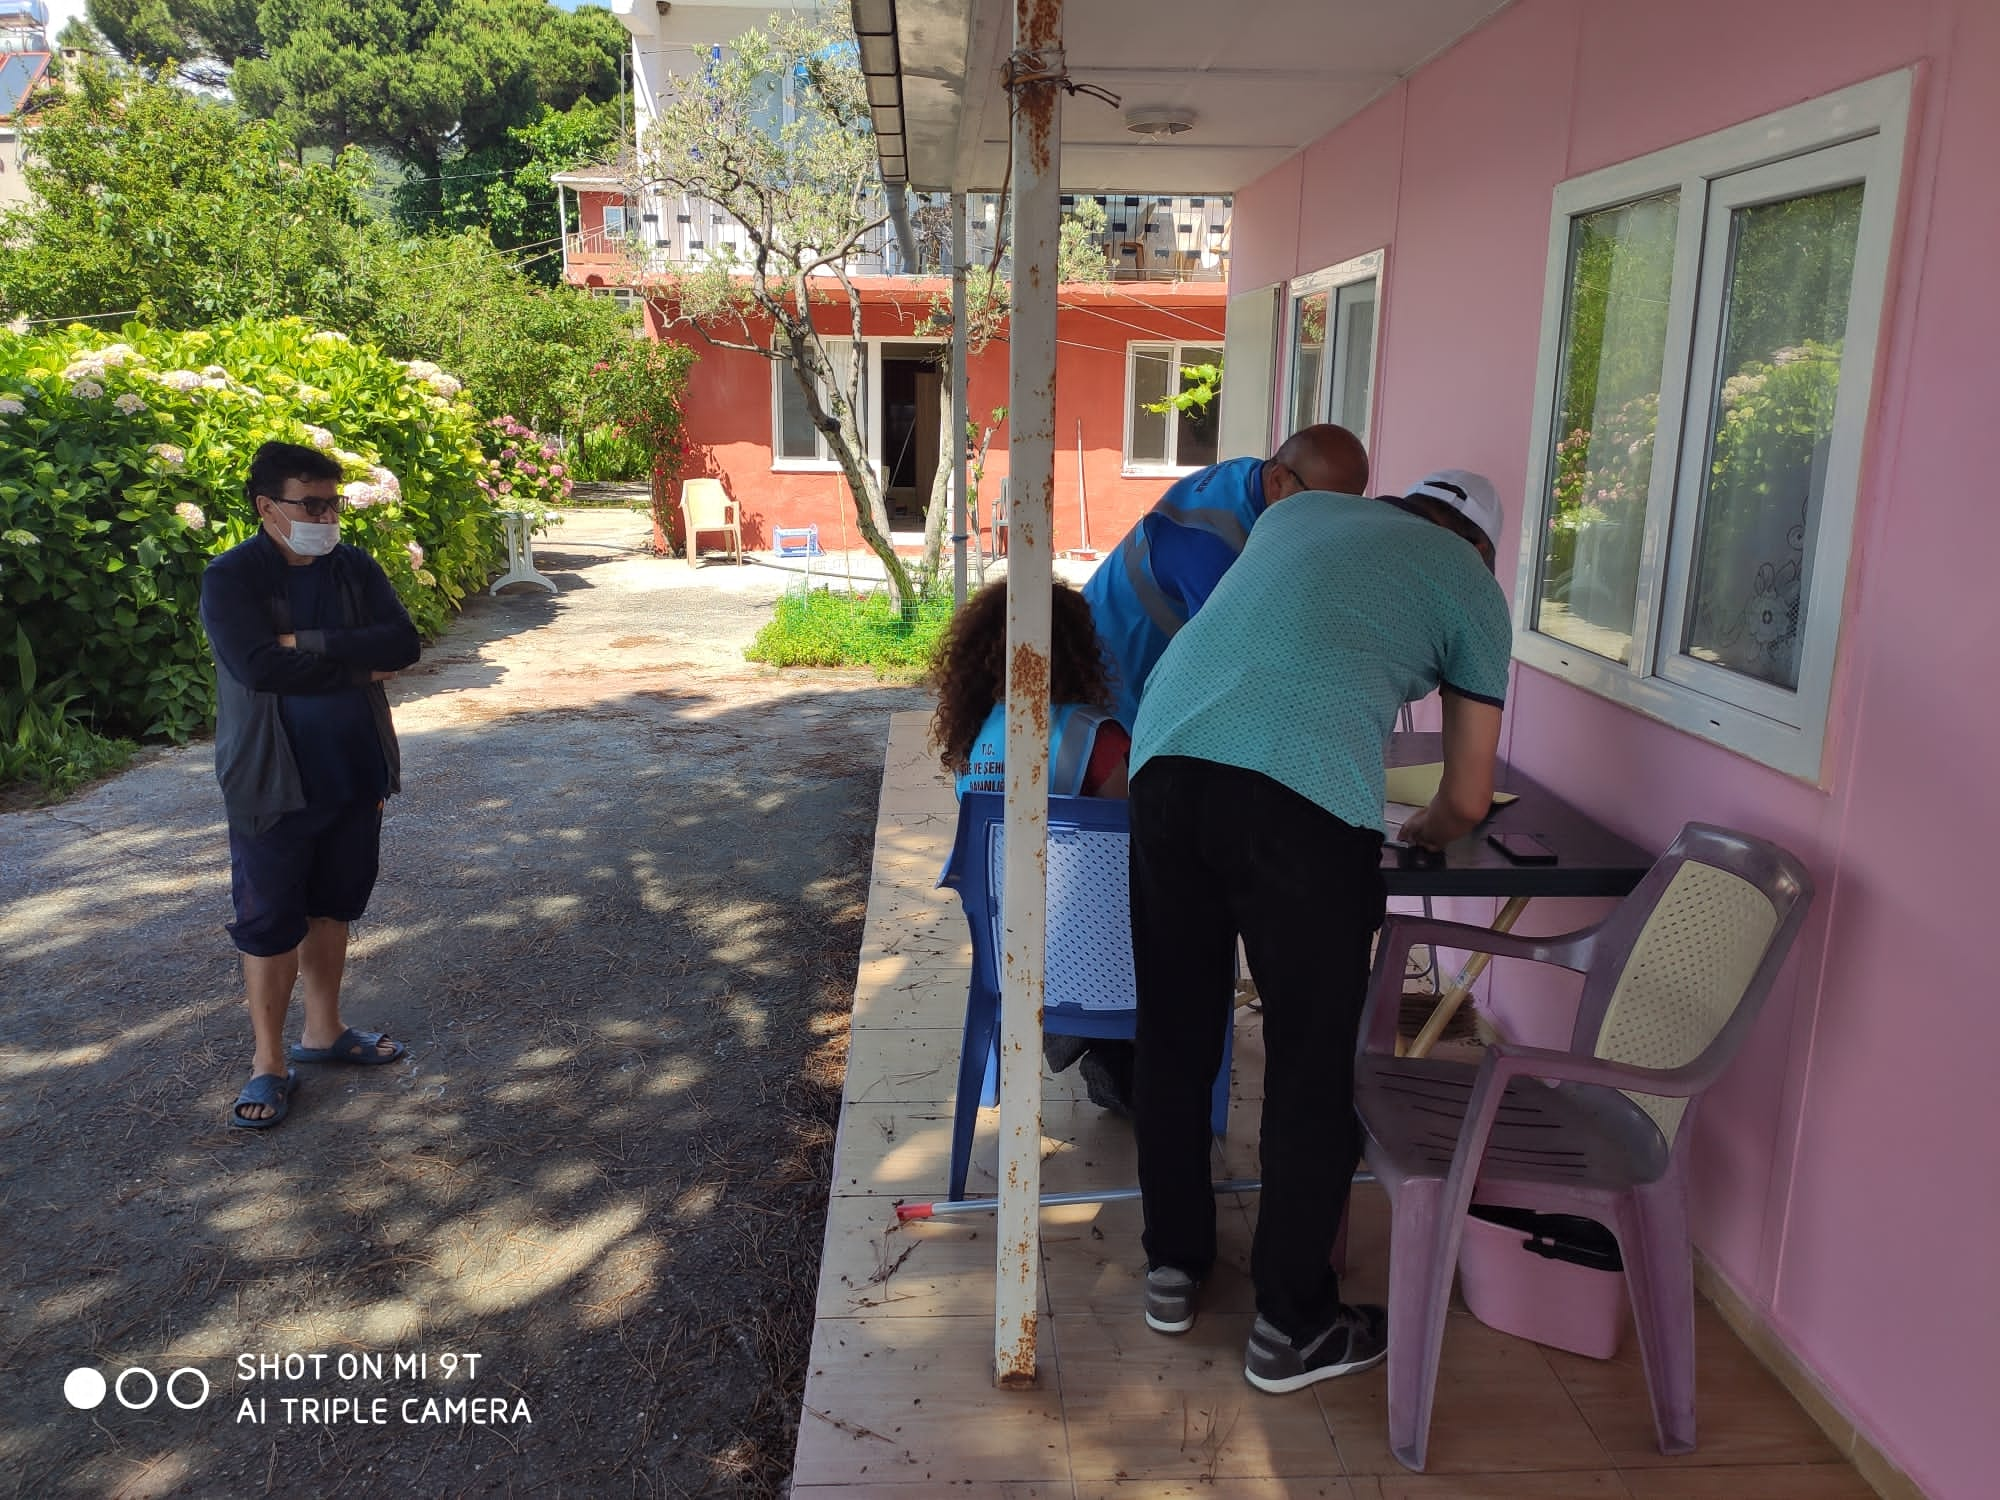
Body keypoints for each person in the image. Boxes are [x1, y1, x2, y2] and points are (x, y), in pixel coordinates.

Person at [1126, 453, 1512, 1394]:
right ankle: (1292, 1324)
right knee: (1307, 1063)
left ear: (1399, 502)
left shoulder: (1301, 520)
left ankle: (1174, 1270)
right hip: (1299, 807)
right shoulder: (1472, 589)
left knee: (1175, 1039)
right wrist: (1415, 829)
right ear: (1481, 548)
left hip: (1166, 763)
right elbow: (1464, 796)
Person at [200, 441, 423, 1130]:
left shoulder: (352, 566)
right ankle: (270, 1064)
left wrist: (310, 644)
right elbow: (258, 667)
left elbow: (404, 645)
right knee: (269, 922)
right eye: (313, 504)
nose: (328, 517)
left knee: (334, 905)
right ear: (268, 507)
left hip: (356, 768)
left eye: (333, 503)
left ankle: (324, 1033)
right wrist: (356, 663)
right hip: (272, 778)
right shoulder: (232, 577)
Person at [929, 578, 1136, 1110]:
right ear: (1076, 650)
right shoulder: (1097, 737)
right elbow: (1137, 848)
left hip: (1007, 951)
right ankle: (1113, 1050)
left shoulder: (972, 743)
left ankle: (1086, 1038)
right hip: (1102, 958)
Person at [1080, 424, 1371, 728]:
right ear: (1277, 482)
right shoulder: (1211, 546)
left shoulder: (1256, 482)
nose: (1331, 527)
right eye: (1321, 509)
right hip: (1107, 688)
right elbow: (1237, 677)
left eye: (1345, 512)